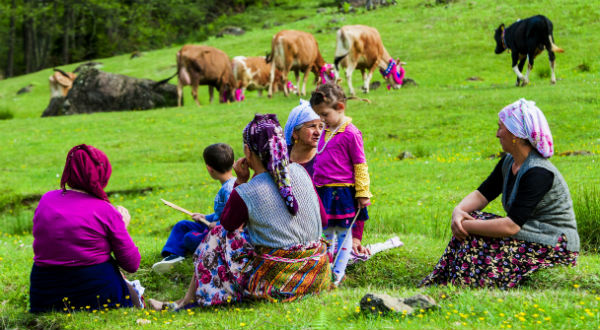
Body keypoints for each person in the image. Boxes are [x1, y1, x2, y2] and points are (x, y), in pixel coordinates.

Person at [148, 114, 331, 310]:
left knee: (216, 235)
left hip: (280, 283)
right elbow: (324, 219)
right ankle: (186, 300)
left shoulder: (247, 191)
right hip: (317, 275)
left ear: (249, 151)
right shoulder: (300, 172)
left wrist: (240, 182)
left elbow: (227, 224)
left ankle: (187, 302)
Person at [421, 99, 579, 289]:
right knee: (473, 219)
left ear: (516, 134)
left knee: (474, 233)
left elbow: (511, 226)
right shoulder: (509, 162)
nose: (497, 134)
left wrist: (467, 225)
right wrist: (459, 212)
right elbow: (482, 194)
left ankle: (463, 287)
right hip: (529, 235)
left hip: (554, 244)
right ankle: (447, 283)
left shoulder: (538, 172)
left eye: (501, 128)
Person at [30, 144, 143, 313]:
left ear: (69, 171)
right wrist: (122, 226)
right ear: (102, 174)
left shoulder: (46, 200)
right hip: (96, 297)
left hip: (45, 298)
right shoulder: (105, 210)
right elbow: (131, 264)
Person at [309, 83, 372, 286]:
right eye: (319, 115)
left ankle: (336, 275)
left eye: (325, 114)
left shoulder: (351, 134)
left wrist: (363, 193)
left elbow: (360, 165)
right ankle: (325, 272)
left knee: (344, 236)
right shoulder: (326, 131)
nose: (322, 120)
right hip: (323, 192)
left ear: (340, 108)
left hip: (342, 192)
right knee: (326, 234)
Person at [152, 143, 236, 273]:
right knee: (182, 225)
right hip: (214, 226)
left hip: (223, 233)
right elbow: (221, 213)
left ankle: (179, 254)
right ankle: (174, 255)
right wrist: (205, 217)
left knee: (190, 237)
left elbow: (234, 216)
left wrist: (218, 225)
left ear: (209, 168)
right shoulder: (230, 184)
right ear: (233, 162)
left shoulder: (229, 189)